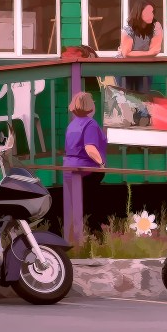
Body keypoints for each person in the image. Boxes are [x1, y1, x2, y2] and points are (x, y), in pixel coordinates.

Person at [63, 91, 107, 235]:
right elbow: (90, 148)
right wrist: (101, 163)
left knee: (77, 207)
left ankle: (76, 235)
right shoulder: (90, 124)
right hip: (86, 171)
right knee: (91, 207)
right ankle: (94, 236)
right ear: (90, 106)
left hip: (70, 169)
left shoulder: (72, 125)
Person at [118, 0, 163, 92]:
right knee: (126, 96)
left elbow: (155, 50)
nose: (152, 15)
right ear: (138, 13)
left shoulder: (156, 26)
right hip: (124, 67)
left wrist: (133, 53)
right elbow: (126, 54)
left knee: (143, 96)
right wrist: (148, 53)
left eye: (152, 12)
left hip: (145, 67)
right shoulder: (128, 29)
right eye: (148, 12)